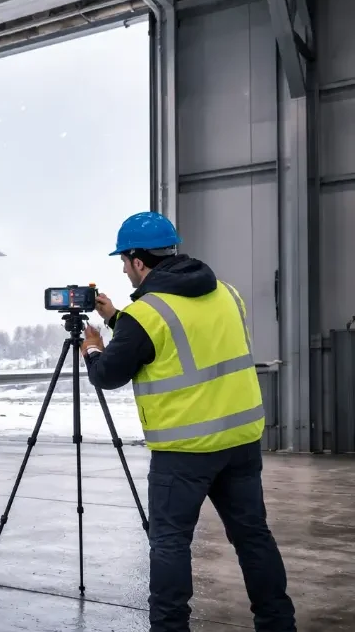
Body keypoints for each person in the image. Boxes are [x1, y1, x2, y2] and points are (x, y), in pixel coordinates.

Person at [81, 211, 296, 632]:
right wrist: (115, 317)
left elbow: (109, 375)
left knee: (170, 545)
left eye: (124, 262)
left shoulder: (146, 313)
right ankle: (277, 623)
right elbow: (185, 335)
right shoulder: (226, 293)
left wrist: (92, 349)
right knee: (253, 538)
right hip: (239, 442)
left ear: (139, 261)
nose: (124, 271)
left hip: (184, 454)